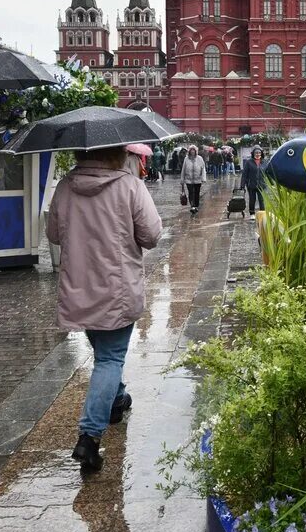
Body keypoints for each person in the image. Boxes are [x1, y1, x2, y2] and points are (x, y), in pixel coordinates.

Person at [45, 145, 162, 472]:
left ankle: (115, 399)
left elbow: (53, 235)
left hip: (80, 287)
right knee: (111, 358)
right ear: (115, 152)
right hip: (117, 288)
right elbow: (152, 235)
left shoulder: (66, 186)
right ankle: (89, 436)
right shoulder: (129, 186)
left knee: (105, 356)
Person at [240, 146, 266, 218]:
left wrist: (271, 183)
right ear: (253, 154)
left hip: (261, 185)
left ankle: (262, 213)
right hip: (251, 185)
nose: (257, 154)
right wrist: (242, 185)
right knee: (252, 200)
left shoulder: (264, 162)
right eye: (256, 153)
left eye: (259, 153)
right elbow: (244, 174)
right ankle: (252, 213)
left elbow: (268, 173)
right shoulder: (249, 162)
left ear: (261, 154)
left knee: (262, 200)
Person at [181, 145, 207, 215]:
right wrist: (182, 180)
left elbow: (203, 168)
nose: (192, 151)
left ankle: (196, 206)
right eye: (191, 150)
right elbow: (183, 169)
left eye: (194, 150)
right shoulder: (186, 159)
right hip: (188, 180)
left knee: (197, 193)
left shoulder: (199, 158)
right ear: (189, 151)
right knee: (190, 193)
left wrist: (203, 178)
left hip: (197, 179)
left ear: (196, 151)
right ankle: (192, 206)